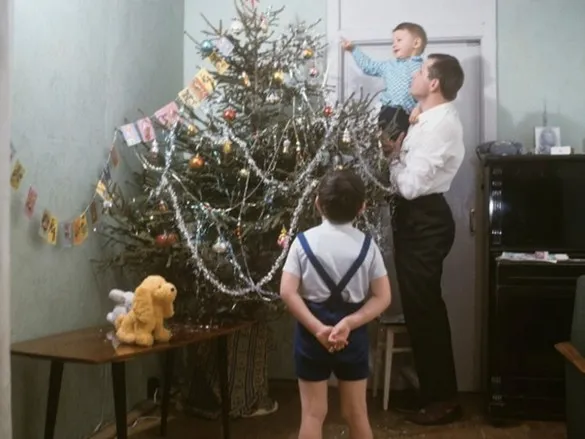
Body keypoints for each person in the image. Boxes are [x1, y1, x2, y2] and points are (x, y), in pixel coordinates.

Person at [380, 53, 465, 425]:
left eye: (419, 70)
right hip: (417, 222)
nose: (411, 75)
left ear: (434, 83)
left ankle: (443, 401)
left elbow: (411, 186)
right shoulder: (425, 118)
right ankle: (432, 394)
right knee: (420, 311)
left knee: (426, 312)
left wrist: (394, 158)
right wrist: (398, 152)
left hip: (424, 221)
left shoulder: (439, 125)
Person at [280, 170, 391, 439]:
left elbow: (287, 292)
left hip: (311, 334)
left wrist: (318, 329)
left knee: (312, 414)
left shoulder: (302, 243)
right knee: (356, 413)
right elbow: (383, 297)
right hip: (352, 335)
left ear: (318, 203)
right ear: (361, 207)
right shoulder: (368, 246)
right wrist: (350, 322)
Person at [342, 22, 427, 140]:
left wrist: (419, 108)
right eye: (393, 42)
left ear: (416, 43)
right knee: (383, 144)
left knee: (402, 145)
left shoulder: (423, 68)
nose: (394, 44)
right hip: (386, 111)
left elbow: (427, 93)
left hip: (406, 115)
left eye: (399, 40)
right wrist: (353, 50)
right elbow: (369, 66)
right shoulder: (389, 65)